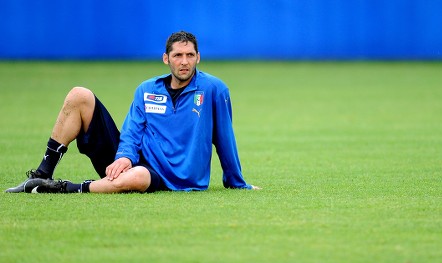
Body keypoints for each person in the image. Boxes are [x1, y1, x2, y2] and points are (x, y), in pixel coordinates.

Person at [5, 31, 260, 194]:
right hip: (127, 163)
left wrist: (236, 181)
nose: (184, 61)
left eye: (190, 55)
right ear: (166, 59)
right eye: (178, 55)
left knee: (137, 176)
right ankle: (41, 176)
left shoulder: (214, 89)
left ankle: (63, 188)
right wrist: (125, 156)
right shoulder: (147, 89)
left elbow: (225, 138)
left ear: (198, 57)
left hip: (170, 177)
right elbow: (131, 130)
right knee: (79, 95)